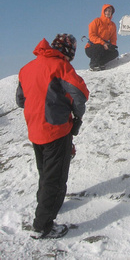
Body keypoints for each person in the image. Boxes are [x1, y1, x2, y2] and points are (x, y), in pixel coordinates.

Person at [16, 34, 89, 239]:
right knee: (55, 178)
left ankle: (49, 203)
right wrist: (76, 115)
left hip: (34, 129)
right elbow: (80, 94)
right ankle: (43, 225)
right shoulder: (61, 67)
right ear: (68, 53)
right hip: (56, 130)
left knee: (45, 171)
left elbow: (20, 100)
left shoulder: (26, 68)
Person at [85, 4, 119, 71]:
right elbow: (92, 36)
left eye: (110, 11)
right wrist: (103, 43)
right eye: (106, 11)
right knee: (99, 46)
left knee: (115, 53)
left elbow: (113, 38)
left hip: (104, 47)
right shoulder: (96, 21)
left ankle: (100, 63)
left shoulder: (113, 25)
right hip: (91, 48)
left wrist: (112, 45)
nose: (108, 12)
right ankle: (93, 65)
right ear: (103, 12)